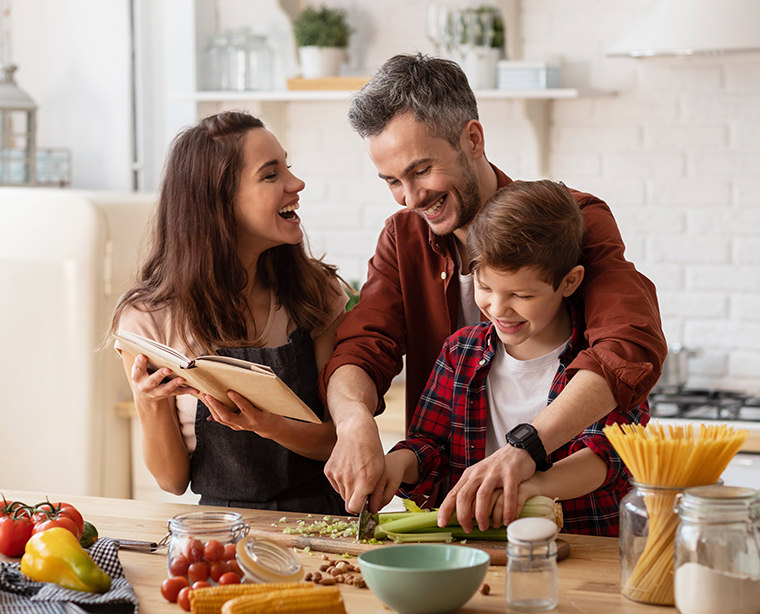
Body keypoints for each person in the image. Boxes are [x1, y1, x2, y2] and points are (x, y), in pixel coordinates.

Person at [320, 53, 666, 532]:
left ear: (473, 139)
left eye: (421, 170)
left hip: (578, 528)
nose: (410, 197)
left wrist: (525, 450)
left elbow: (627, 345)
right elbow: (362, 349)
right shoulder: (403, 238)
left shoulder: (572, 220)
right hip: (463, 531)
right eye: (392, 181)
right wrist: (355, 421)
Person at [110, 110, 346, 514]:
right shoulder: (148, 321)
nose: (296, 183)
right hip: (221, 530)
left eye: (287, 167)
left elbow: (338, 440)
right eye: (271, 175)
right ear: (218, 201)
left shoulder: (315, 293)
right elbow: (172, 480)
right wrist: (148, 403)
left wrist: (267, 424)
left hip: (321, 521)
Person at [384, 180, 649, 536]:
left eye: (521, 295)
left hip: (584, 547)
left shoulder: (599, 362)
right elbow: (429, 448)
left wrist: (531, 487)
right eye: (485, 286)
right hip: (482, 551)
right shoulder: (459, 352)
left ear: (569, 282)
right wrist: (395, 465)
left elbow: (608, 456)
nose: (498, 307)